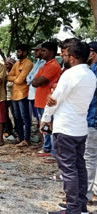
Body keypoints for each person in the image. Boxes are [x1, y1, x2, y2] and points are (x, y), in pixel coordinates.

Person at [43, 39, 96, 214]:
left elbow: (55, 100)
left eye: (64, 54)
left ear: (72, 57)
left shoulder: (70, 74)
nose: (62, 56)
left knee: (68, 170)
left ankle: (72, 209)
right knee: (79, 166)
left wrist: (45, 119)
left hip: (65, 128)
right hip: (80, 127)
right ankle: (80, 206)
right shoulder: (90, 74)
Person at [32, 42, 61, 158]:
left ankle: (52, 151)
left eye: (44, 50)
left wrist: (38, 80)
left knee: (50, 126)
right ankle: (46, 147)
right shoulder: (44, 65)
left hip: (48, 101)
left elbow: (38, 81)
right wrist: (37, 80)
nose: (41, 53)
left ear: (51, 52)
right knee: (44, 127)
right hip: (40, 100)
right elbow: (33, 81)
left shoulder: (54, 65)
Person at [7, 44, 33, 147]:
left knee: (25, 118)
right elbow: (8, 76)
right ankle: (20, 138)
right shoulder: (16, 64)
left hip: (23, 94)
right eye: (17, 51)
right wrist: (16, 78)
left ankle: (26, 139)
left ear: (25, 52)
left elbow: (20, 80)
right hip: (14, 94)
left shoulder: (28, 64)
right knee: (17, 117)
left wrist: (16, 78)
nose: (18, 53)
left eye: (19, 52)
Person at [83, 41, 97, 203]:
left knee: (89, 157)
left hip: (92, 118)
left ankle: (86, 195)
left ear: (92, 53)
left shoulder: (92, 71)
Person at [26, 44, 45, 125]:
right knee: (37, 115)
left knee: (41, 116)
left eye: (37, 50)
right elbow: (29, 76)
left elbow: (36, 76)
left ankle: (43, 136)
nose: (35, 52)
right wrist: (31, 80)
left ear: (42, 51)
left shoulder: (44, 63)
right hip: (32, 93)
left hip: (38, 92)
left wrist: (31, 79)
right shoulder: (37, 63)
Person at [4, 57, 17, 138]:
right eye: (5, 64)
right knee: (5, 115)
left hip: (14, 98)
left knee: (14, 115)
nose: (6, 66)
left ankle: (16, 130)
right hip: (6, 98)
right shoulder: (6, 74)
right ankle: (9, 130)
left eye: (8, 64)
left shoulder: (15, 74)